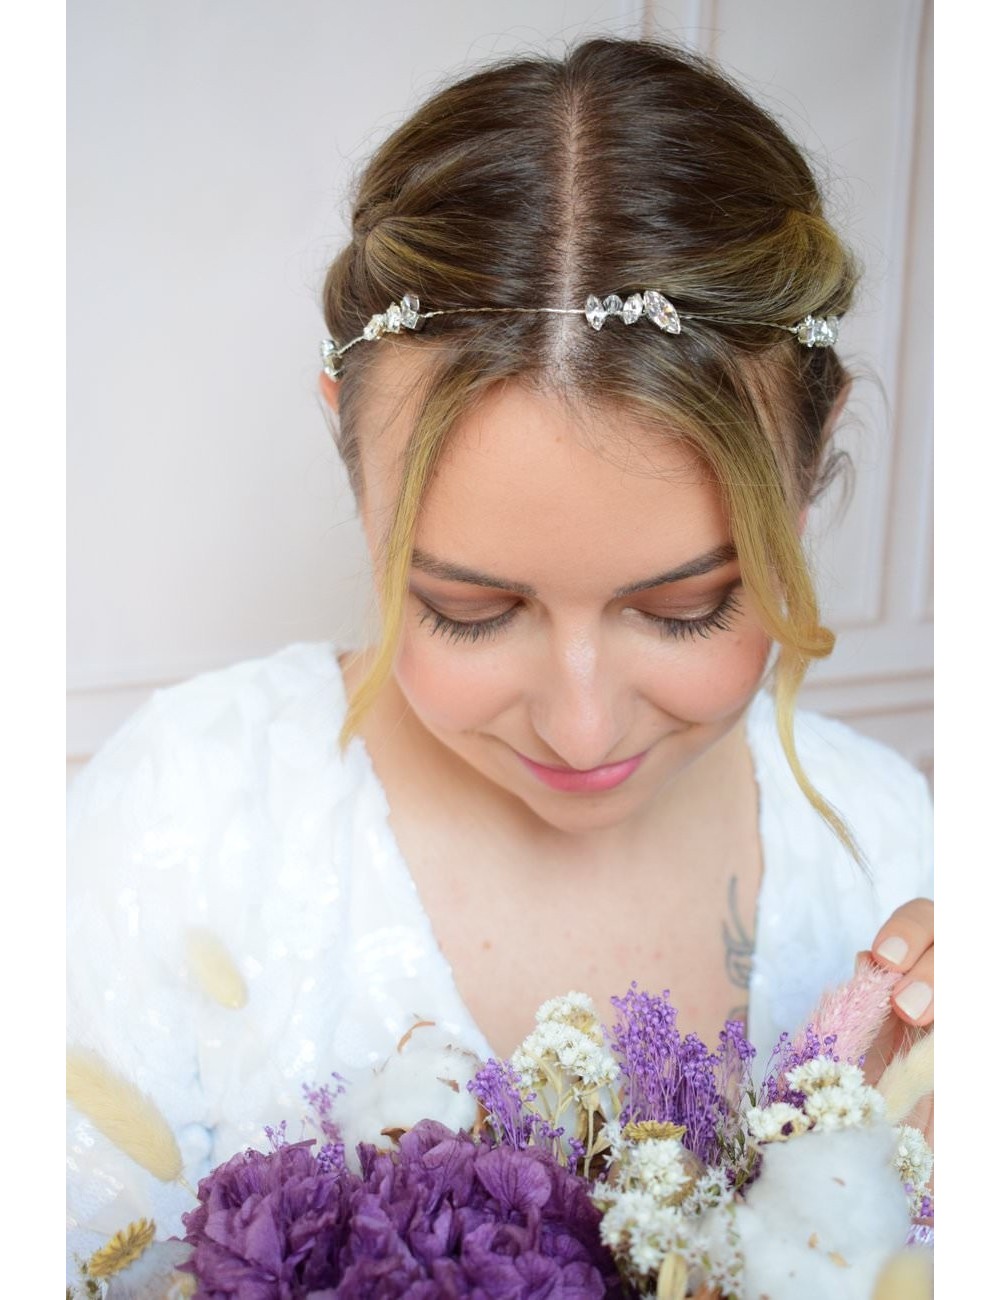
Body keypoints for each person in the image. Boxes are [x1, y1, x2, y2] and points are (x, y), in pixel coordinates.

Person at [66, 35, 933, 1268]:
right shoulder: (185, 825)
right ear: (350, 454)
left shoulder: (892, 850)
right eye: (469, 610)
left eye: (684, 605)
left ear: (807, 468)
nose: (580, 728)